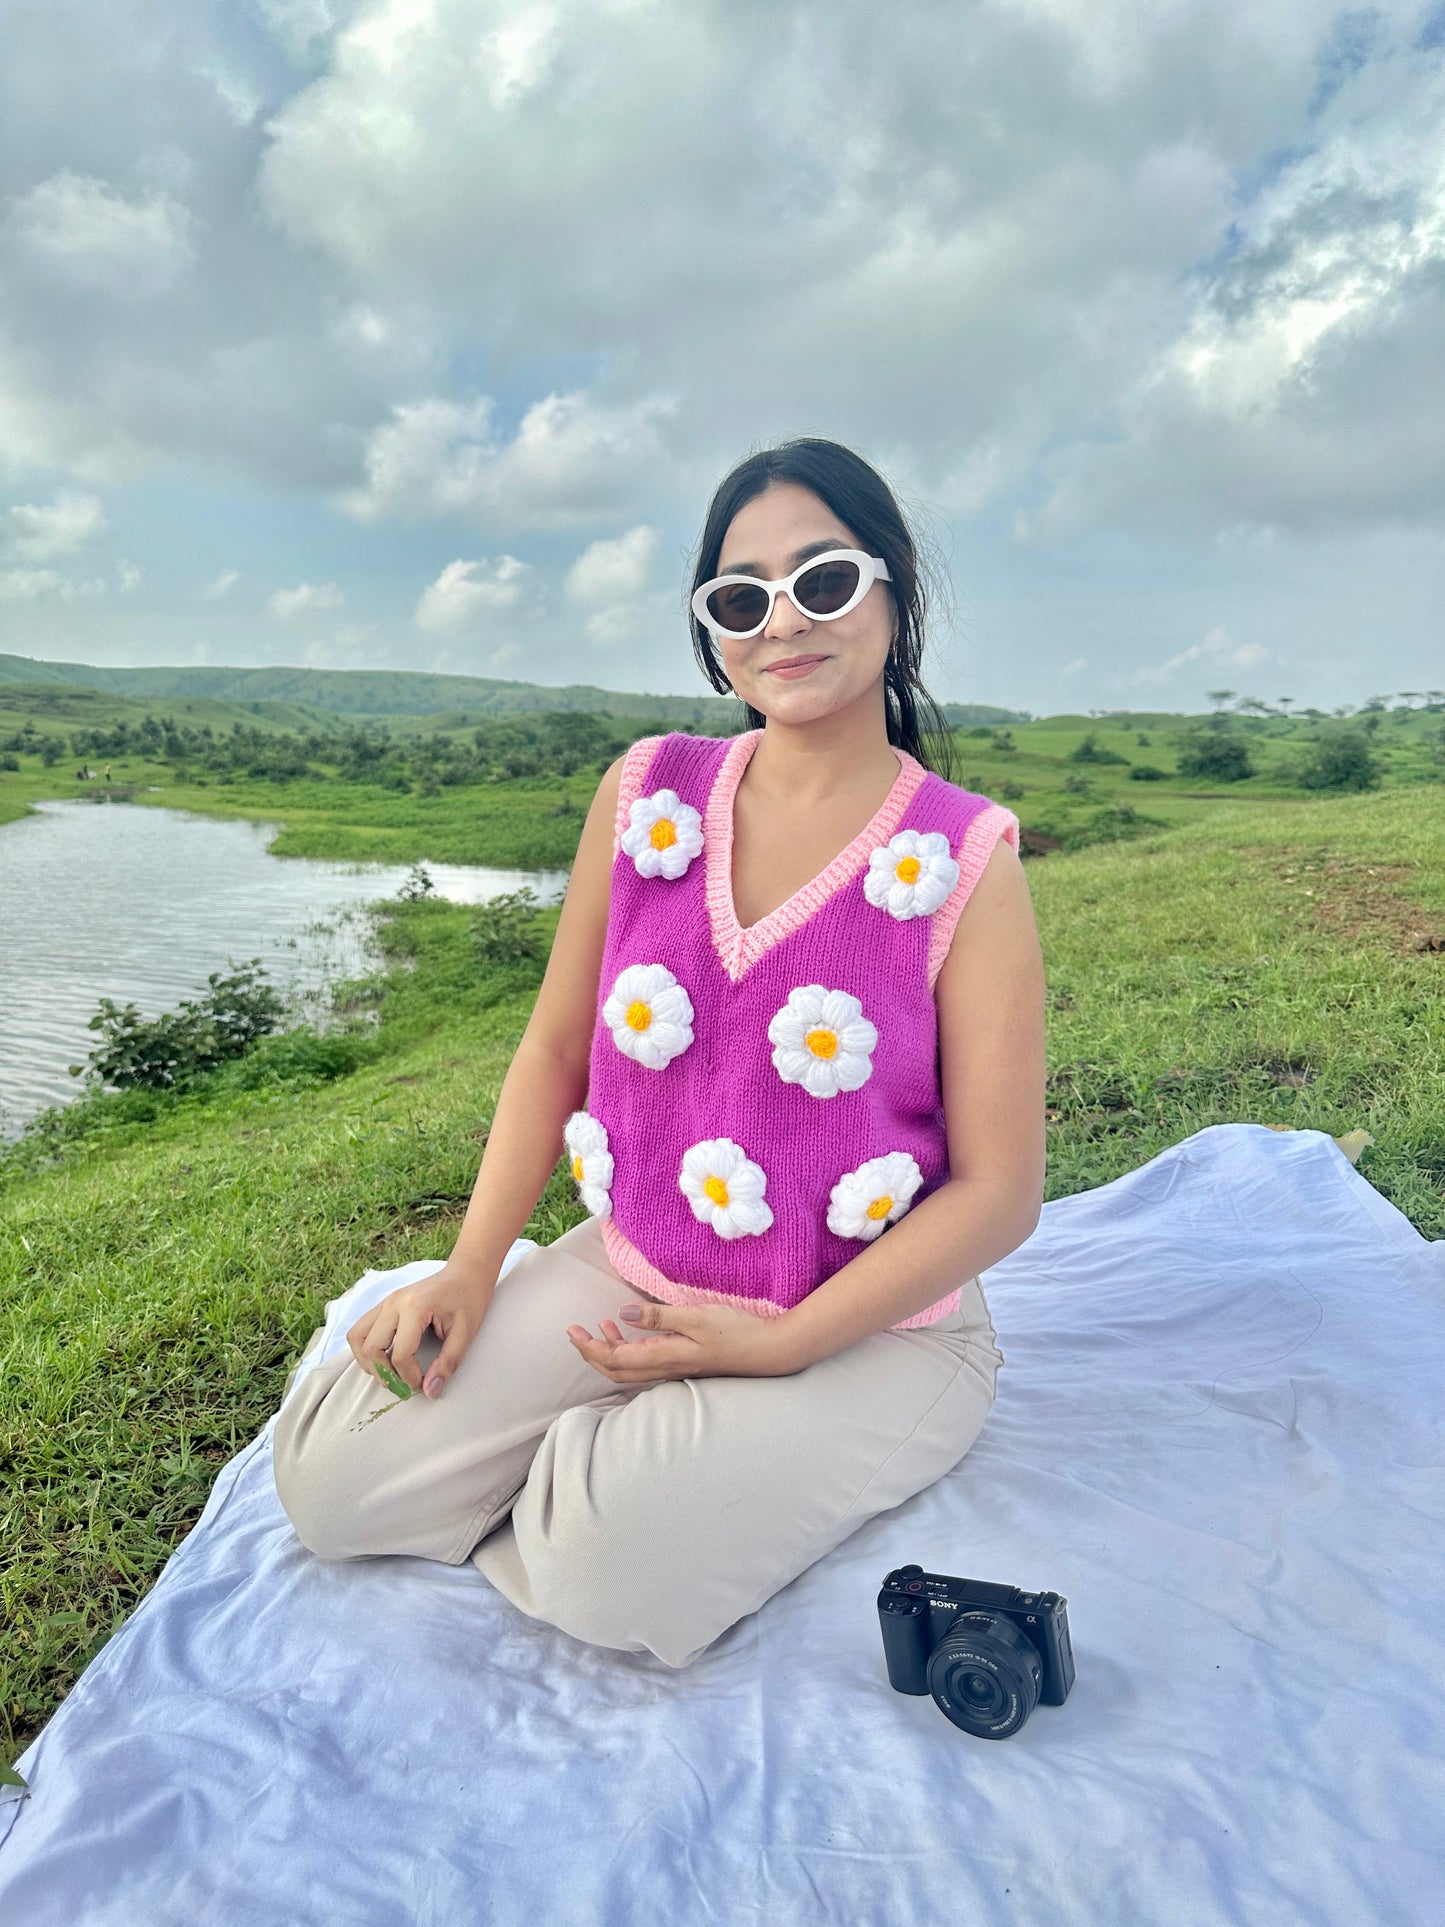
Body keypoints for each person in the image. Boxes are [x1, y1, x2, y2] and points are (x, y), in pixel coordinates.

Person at [273, 437, 1047, 1669]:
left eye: (825, 580)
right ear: (711, 630)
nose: (783, 622)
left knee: (604, 1569)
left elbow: (1000, 1191)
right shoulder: (649, 795)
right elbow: (554, 1045)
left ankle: (615, 1484)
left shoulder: (962, 860)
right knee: (335, 1481)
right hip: (637, 1261)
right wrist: (474, 1268)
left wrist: (782, 1347)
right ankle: (592, 1459)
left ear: (893, 591)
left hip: (864, 1328)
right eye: (740, 597)